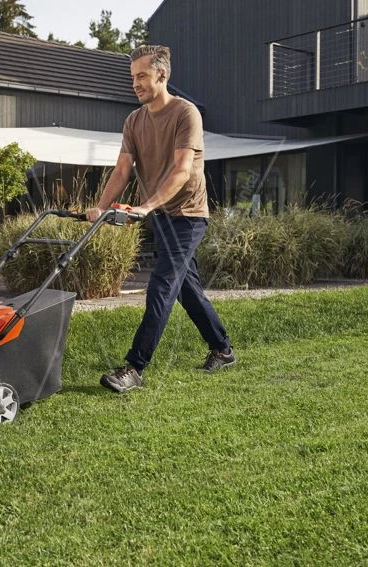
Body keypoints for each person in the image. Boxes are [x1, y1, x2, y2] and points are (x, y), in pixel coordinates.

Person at [85, 44, 235, 394]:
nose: (135, 83)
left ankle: (134, 367)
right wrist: (101, 207)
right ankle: (223, 350)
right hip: (161, 213)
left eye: (142, 76)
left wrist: (146, 206)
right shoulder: (134, 121)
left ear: (162, 75)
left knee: (162, 285)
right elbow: (122, 170)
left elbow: (182, 170)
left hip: (189, 214)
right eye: (132, 77)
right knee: (185, 288)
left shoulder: (186, 113)